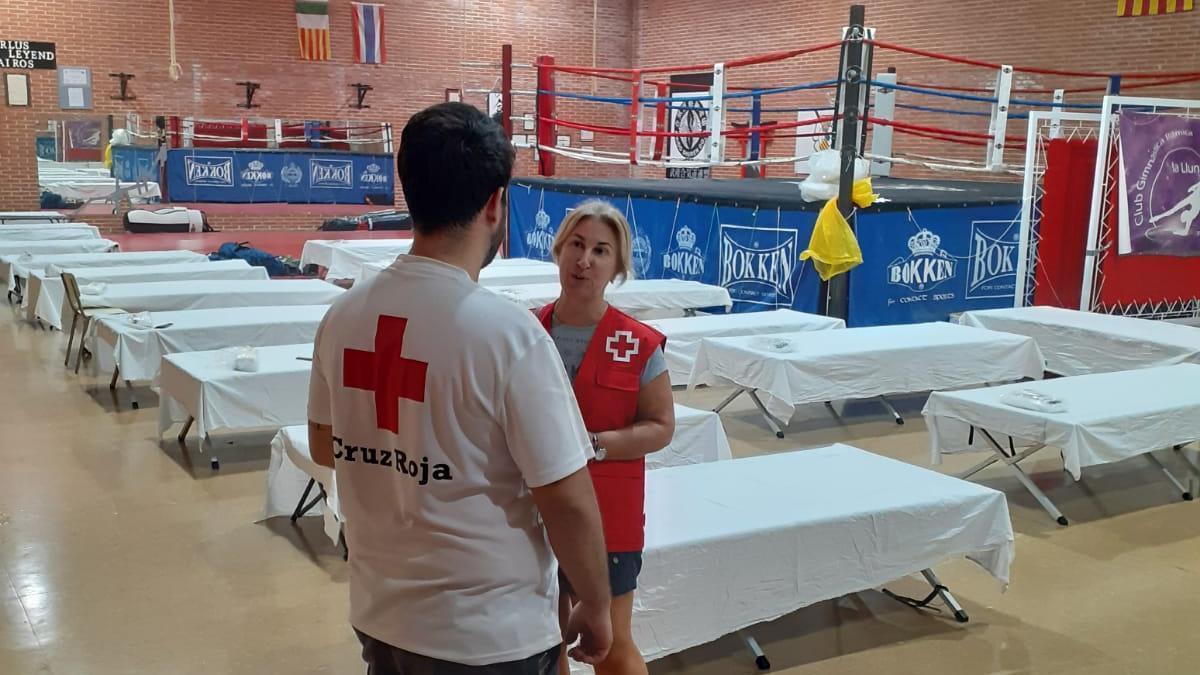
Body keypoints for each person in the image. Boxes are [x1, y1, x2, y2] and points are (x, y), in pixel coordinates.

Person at [307, 103, 613, 675]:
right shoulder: (508, 333)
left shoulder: (343, 317)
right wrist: (597, 603)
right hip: (490, 636)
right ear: (496, 203)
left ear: (409, 189)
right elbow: (566, 499)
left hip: (382, 619)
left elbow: (327, 447)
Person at [535, 200, 677, 675]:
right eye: (576, 245)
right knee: (543, 643)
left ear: (617, 267)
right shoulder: (525, 332)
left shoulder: (637, 342)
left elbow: (660, 427)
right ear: (557, 251)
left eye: (600, 250)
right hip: (530, 515)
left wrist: (596, 444)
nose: (585, 260)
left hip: (607, 519)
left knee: (611, 647)